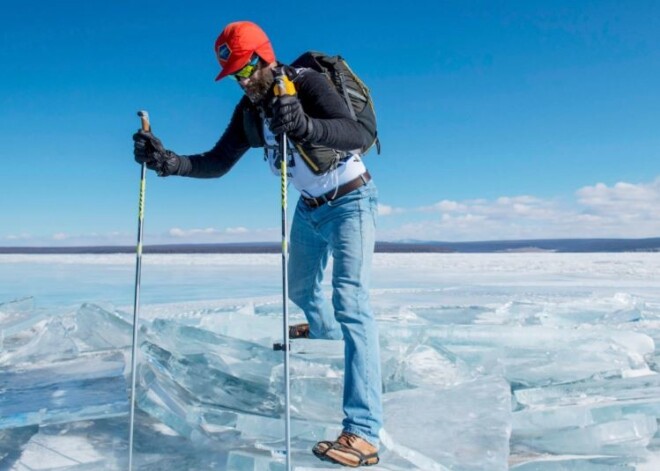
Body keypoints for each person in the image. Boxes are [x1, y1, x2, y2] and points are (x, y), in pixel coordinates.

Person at [133, 21, 382, 467]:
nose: (243, 81)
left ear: (264, 56)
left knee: (352, 302)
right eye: (234, 74)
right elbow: (216, 161)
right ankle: (323, 335)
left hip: (351, 200)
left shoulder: (308, 85)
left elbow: (356, 135)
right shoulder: (251, 113)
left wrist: (305, 125)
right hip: (309, 207)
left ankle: (362, 433)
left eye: (247, 68)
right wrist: (167, 162)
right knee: (300, 291)